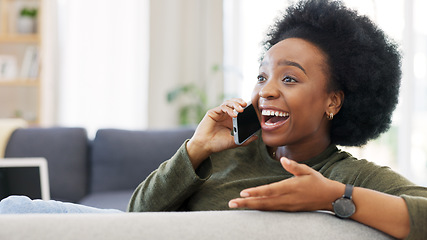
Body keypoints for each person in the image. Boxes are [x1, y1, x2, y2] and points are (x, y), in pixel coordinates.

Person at [1, 0, 426, 239]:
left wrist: (332, 196)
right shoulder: (227, 153)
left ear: (333, 101)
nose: (267, 90)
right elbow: (134, 217)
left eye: (290, 78)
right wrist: (196, 149)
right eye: (261, 77)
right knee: (16, 209)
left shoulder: (344, 174)